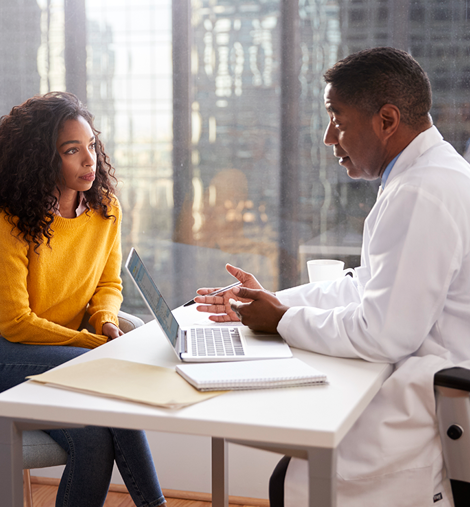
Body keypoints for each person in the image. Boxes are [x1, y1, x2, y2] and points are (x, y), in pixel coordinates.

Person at [195, 47, 470, 506]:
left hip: (431, 408)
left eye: (337, 119)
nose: (327, 138)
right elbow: (367, 283)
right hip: (427, 385)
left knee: (296, 481)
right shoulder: (434, 174)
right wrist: (273, 299)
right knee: (291, 469)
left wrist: (280, 320)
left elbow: (384, 334)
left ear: (386, 120)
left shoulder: (421, 192)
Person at [0, 92, 166, 507]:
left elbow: (108, 285)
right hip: (8, 350)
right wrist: (94, 346)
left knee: (92, 439)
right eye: (72, 151)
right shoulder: (10, 217)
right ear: (40, 158)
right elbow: (15, 321)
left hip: (64, 350)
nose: (89, 160)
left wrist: (106, 322)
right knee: (111, 374)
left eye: (91, 146)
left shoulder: (104, 208)